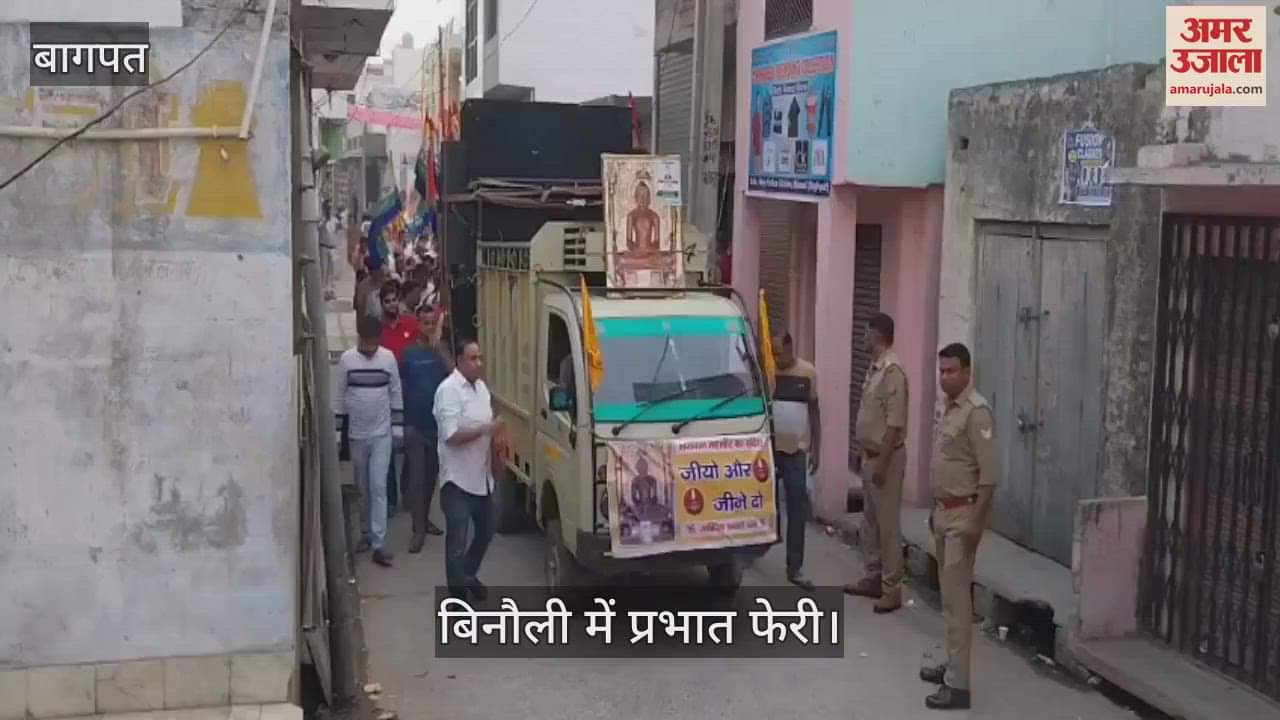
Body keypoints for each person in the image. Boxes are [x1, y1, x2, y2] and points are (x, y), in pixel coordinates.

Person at [920, 343, 1000, 711]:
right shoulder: (949, 409)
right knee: (948, 600)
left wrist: (975, 523)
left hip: (962, 517)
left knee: (957, 602)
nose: (944, 377)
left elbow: (989, 476)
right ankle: (953, 667)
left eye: (951, 371)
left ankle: (959, 687)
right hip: (943, 513)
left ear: (967, 372)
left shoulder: (976, 412)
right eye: (941, 371)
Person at [845, 313, 909, 613]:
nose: (862, 337)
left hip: (887, 458)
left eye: (866, 332)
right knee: (870, 523)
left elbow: (895, 423)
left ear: (878, 335)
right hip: (870, 456)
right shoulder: (875, 369)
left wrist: (882, 463)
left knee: (887, 526)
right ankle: (873, 577)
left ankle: (892, 588)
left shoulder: (892, 371)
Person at [435, 339, 504, 601]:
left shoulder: (482, 389)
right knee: (457, 540)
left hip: (482, 477)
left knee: (486, 531)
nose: (479, 363)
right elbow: (451, 435)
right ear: (460, 361)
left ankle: (466, 574)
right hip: (457, 480)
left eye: (480, 358)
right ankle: (457, 598)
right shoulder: (448, 391)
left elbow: (490, 428)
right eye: (473, 358)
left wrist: (496, 454)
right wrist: (485, 430)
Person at [334, 315, 403, 568]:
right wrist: (338, 434)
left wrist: (397, 430)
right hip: (357, 435)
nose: (371, 348)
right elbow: (339, 396)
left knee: (378, 487)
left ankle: (379, 543)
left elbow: (395, 392)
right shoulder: (347, 360)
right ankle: (365, 532)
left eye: (375, 343)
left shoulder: (388, 359)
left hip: (382, 435)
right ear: (360, 338)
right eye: (367, 343)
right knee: (362, 489)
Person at [770, 332, 820, 590]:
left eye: (780, 353)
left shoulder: (808, 372)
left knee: (797, 509)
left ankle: (795, 567)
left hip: (796, 452)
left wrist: (817, 449)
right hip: (769, 451)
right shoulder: (768, 371)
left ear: (791, 347)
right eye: (773, 353)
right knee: (764, 505)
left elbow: (815, 412)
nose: (777, 358)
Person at [400, 305, 452, 552]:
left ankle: (424, 520)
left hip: (437, 425)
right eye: (426, 323)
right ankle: (418, 530)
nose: (430, 327)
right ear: (418, 324)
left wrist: (439, 348)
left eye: (433, 323)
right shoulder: (409, 353)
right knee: (417, 478)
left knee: (431, 477)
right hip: (414, 424)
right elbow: (399, 385)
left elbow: (454, 374)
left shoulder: (441, 351)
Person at [379, 283, 418, 362]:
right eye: (387, 301)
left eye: (394, 300)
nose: (392, 304)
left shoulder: (411, 323)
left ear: (398, 301)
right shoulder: (377, 329)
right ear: (381, 304)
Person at [625, 182, 661, 257]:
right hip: (636, 251)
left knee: (664, 259)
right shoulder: (631, 215)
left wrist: (650, 249)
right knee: (622, 260)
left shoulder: (654, 216)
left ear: (649, 198)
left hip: (650, 251)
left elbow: (657, 242)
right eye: (640, 195)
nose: (642, 198)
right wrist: (634, 248)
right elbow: (628, 241)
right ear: (636, 197)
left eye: (645, 195)